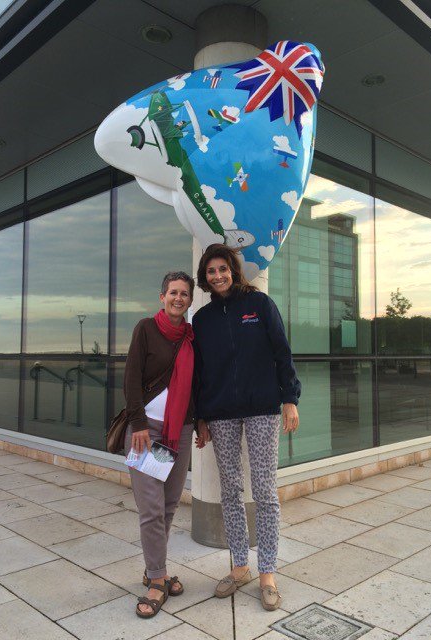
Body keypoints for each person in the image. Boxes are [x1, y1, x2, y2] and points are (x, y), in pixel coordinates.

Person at [193, 244, 300, 611]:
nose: (218, 276)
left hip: (262, 409)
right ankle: (240, 566)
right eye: (211, 271)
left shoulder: (259, 304)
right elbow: (200, 372)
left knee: (265, 491)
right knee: (231, 492)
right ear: (205, 278)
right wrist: (200, 416)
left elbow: (282, 352)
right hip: (220, 412)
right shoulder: (202, 319)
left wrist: (290, 398)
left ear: (233, 270)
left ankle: (267, 572)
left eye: (222, 268)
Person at [124, 271, 195, 619]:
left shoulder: (191, 338)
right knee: (151, 508)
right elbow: (131, 378)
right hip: (147, 432)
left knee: (168, 506)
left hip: (179, 431)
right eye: (173, 292)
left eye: (184, 294)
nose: (178, 298)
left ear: (190, 300)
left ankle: (156, 569)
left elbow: (196, 386)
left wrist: (201, 423)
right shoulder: (146, 329)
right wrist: (138, 423)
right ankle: (156, 581)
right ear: (162, 297)